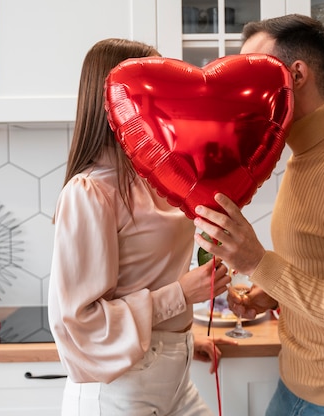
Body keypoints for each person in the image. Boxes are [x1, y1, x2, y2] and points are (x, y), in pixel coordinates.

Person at [193, 14, 324, 416]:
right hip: (294, 387)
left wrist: (259, 262)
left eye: (251, 72)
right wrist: (270, 293)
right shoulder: (301, 157)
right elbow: (320, 267)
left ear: (296, 75)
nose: (238, 88)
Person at [48, 38, 234, 416]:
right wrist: (181, 295)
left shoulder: (157, 176)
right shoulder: (90, 191)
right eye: (154, 86)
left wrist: (179, 340)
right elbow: (79, 321)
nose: (167, 97)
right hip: (119, 389)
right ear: (116, 96)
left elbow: (141, 278)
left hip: (172, 377)